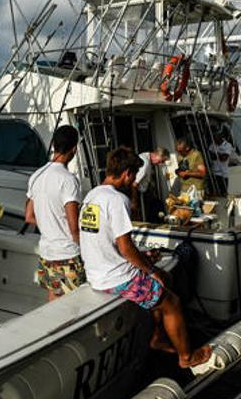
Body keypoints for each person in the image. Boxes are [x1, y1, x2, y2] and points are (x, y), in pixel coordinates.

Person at [79, 147, 212, 369]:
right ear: (127, 173)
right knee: (173, 303)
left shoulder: (92, 195)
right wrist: (151, 270)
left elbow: (108, 241)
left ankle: (158, 337)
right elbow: (125, 248)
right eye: (133, 177)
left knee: (166, 281)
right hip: (115, 278)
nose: (133, 183)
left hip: (96, 272)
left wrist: (145, 257)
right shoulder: (116, 199)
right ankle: (186, 357)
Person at [25, 125, 85, 301]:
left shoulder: (36, 176)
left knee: (54, 300)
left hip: (47, 252)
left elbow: (29, 216)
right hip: (67, 254)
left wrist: (49, 225)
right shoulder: (68, 180)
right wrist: (87, 250)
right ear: (74, 149)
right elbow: (74, 227)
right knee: (73, 305)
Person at [132, 148, 169, 220]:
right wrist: (134, 201)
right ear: (156, 155)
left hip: (143, 192)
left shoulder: (145, 155)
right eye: (161, 161)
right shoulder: (145, 163)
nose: (160, 163)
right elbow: (134, 184)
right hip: (137, 194)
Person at [208, 132, 234, 197]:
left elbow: (224, 158)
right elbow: (210, 156)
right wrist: (220, 155)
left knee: (223, 194)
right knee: (213, 193)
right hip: (214, 173)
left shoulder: (228, 145)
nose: (214, 139)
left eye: (216, 137)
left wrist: (215, 155)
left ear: (220, 137)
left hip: (224, 174)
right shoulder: (212, 145)